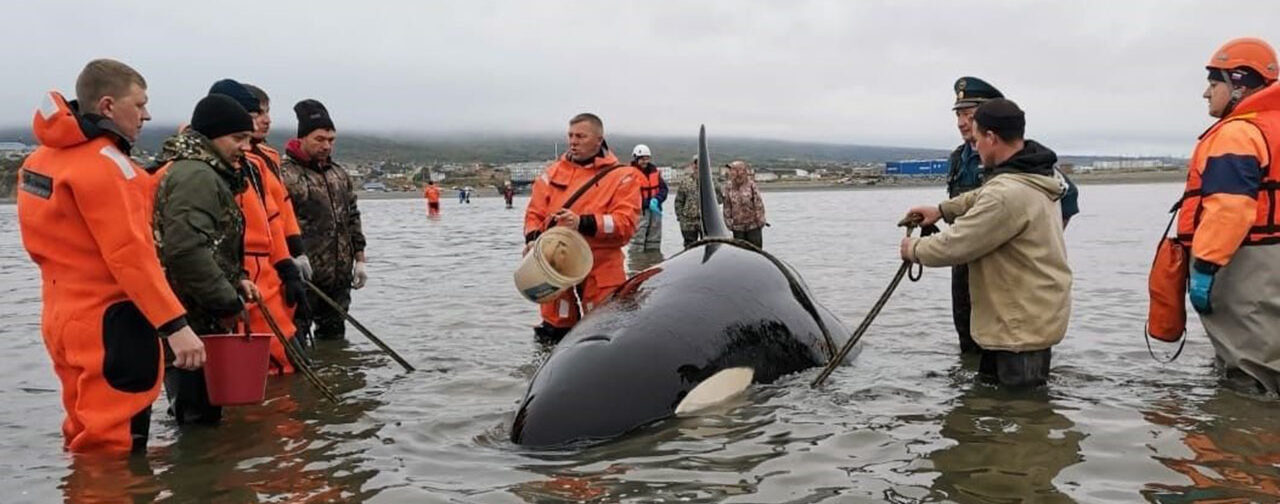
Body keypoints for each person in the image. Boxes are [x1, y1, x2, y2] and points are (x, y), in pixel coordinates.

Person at [17, 59, 203, 454]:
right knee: (115, 447)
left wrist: (162, 167)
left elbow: (92, 217)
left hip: (62, 316)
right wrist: (175, 326)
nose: (147, 114)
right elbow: (130, 255)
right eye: (139, 104)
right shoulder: (106, 167)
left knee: (83, 430)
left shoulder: (40, 161)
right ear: (107, 106)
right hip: (112, 323)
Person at [900, 98, 1071, 388]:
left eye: (977, 138)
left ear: (991, 137)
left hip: (1018, 330)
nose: (975, 146)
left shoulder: (1007, 193)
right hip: (1025, 320)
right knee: (1007, 407)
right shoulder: (1033, 173)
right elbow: (981, 196)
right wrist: (942, 210)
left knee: (1021, 415)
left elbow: (955, 245)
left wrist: (913, 250)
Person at [945, 76, 1081, 354]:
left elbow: (1067, 196)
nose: (961, 122)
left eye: (969, 115)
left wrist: (1031, 245)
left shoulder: (1023, 158)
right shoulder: (959, 159)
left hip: (1006, 271)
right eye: (959, 114)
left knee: (1011, 341)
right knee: (967, 336)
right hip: (965, 261)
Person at [1175, 37, 1280, 393]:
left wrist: (1204, 268)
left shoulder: (1239, 133)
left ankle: (1245, 442)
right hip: (1271, 258)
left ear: (1239, 84)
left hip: (1245, 263)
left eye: (1214, 82)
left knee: (1249, 370)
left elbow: (1229, 210)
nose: (1207, 93)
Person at [152, 94, 261, 424]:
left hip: (197, 315)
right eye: (238, 138)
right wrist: (227, 303)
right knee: (197, 419)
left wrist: (237, 277)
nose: (246, 147)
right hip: (191, 318)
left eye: (248, 139)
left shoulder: (207, 172)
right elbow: (185, 251)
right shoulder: (197, 176)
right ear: (212, 136)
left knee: (201, 417)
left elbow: (212, 243)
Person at [207, 79, 307, 374]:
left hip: (268, 280)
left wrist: (289, 262)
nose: (265, 120)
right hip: (238, 286)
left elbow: (274, 216)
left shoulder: (259, 163)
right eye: (255, 114)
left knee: (286, 369)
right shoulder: (197, 169)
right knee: (251, 375)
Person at [523, 113, 641, 342]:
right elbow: (534, 213)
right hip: (555, 265)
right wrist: (533, 239)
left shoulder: (623, 177)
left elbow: (625, 224)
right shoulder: (552, 174)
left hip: (601, 264)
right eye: (570, 136)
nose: (573, 141)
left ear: (598, 140)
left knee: (605, 332)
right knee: (553, 331)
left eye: (580, 136)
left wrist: (583, 222)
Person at [280, 99, 368, 341]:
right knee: (295, 339)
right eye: (319, 139)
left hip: (339, 277)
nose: (327, 146)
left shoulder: (339, 174)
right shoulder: (284, 174)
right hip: (302, 277)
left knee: (335, 341)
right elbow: (275, 224)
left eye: (331, 140)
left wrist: (360, 260)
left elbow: (353, 218)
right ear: (303, 138)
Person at [674, 157, 722, 247]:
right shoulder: (685, 182)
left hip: (706, 221)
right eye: (696, 164)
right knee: (689, 247)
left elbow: (720, 198)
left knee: (708, 246)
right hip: (688, 222)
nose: (698, 166)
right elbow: (679, 201)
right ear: (693, 165)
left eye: (700, 164)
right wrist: (680, 217)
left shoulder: (712, 182)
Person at [628, 144, 668, 251]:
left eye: (647, 159)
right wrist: (646, 203)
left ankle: (653, 261)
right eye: (642, 159)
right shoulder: (630, 174)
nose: (645, 162)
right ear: (636, 158)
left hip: (655, 211)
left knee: (654, 241)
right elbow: (628, 196)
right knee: (637, 242)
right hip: (640, 213)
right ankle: (638, 265)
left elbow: (664, 189)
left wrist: (657, 199)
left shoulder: (655, 173)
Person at [722, 160, 766, 248]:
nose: (731, 172)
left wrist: (760, 221)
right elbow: (727, 205)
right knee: (740, 251)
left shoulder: (751, 185)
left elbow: (758, 204)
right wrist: (729, 222)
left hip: (753, 226)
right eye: (731, 170)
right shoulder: (728, 187)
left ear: (741, 171)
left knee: (756, 251)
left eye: (733, 169)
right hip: (737, 227)